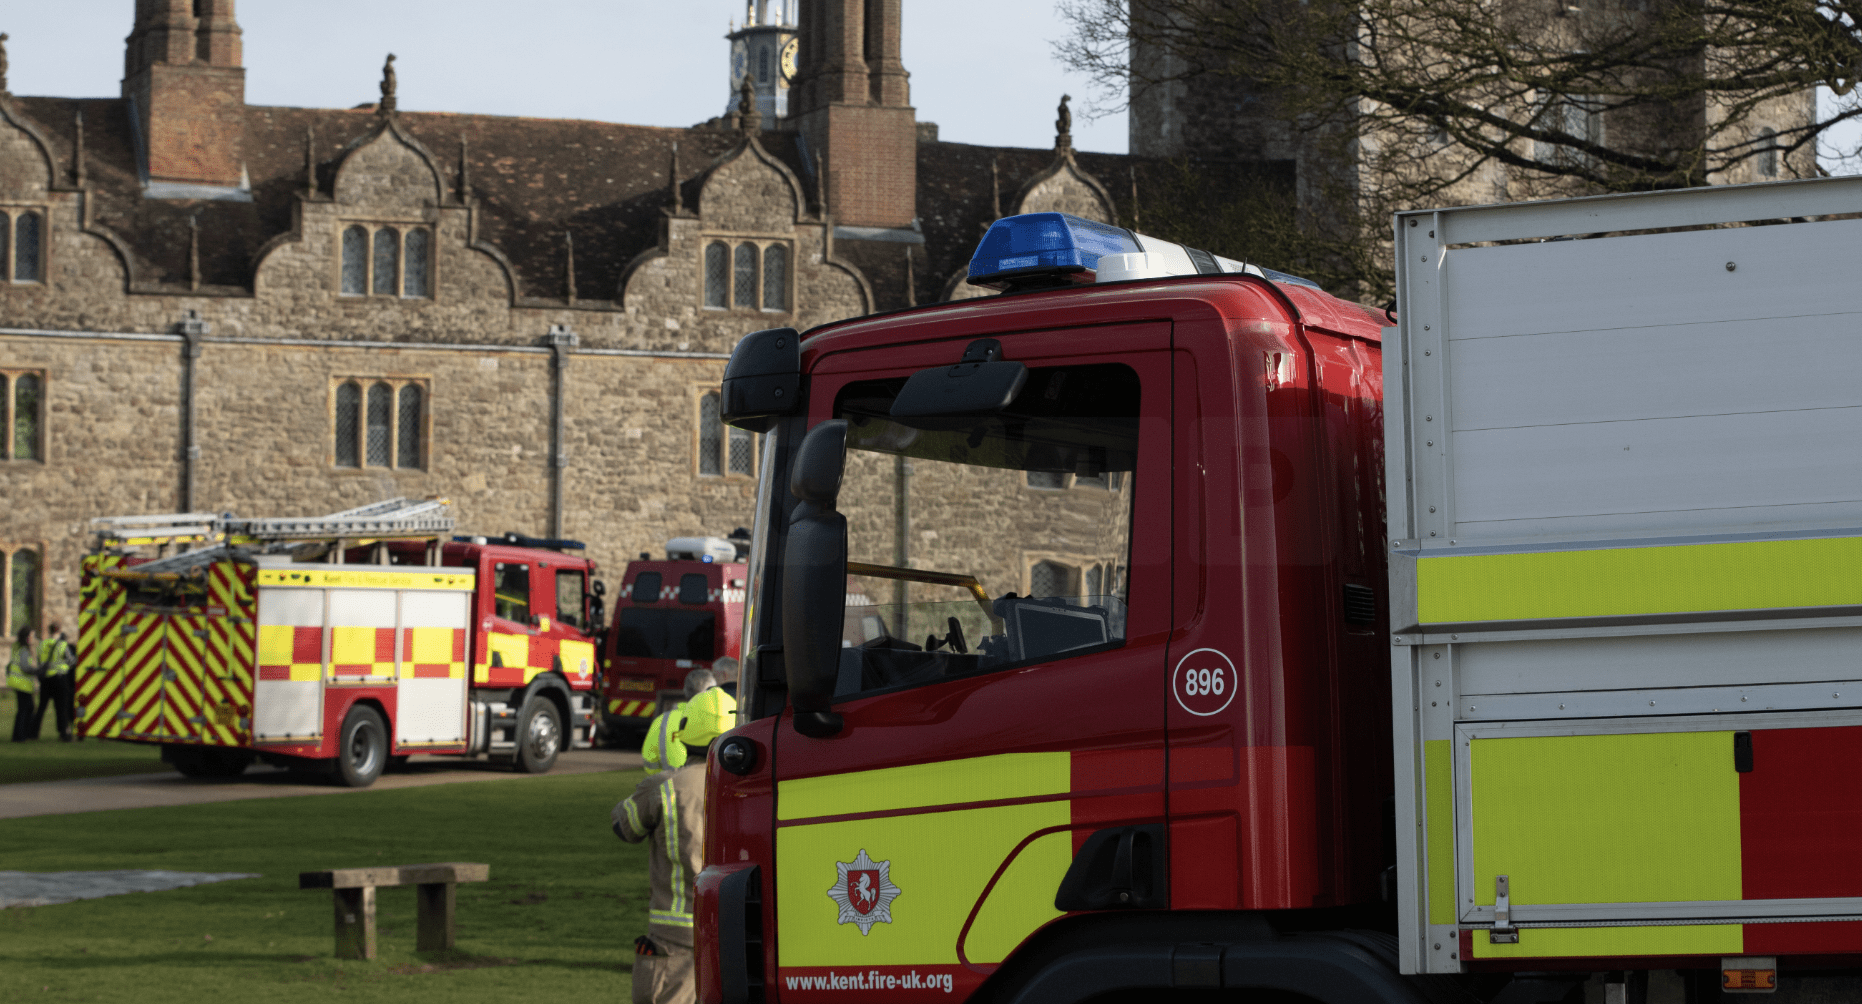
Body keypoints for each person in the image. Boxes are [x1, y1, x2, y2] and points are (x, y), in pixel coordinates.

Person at [612, 681, 736, 1004]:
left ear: (687, 733)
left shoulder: (667, 788)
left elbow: (623, 826)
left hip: (674, 940)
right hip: (736, 936)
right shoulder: (754, 786)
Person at [640, 669, 724, 772]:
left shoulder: (663, 720)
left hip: (669, 784)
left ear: (686, 691)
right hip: (706, 784)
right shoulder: (722, 717)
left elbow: (650, 760)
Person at [35, 621, 75, 741]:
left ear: (49, 630)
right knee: (61, 708)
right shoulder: (63, 645)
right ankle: (63, 733)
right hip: (59, 678)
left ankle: (33, 732)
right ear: (59, 630)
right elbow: (71, 661)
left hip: (45, 679)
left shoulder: (42, 644)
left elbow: (39, 660)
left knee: (41, 708)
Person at [8, 625, 42, 742]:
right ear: (27, 637)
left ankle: (22, 734)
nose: (33, 639)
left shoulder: (18, 647)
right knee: (24, 710)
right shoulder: (24, 650)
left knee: (27, 708)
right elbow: (25, 667)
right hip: (22, 684)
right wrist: (38, 670)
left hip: (20, 683)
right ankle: (19, 736)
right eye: (32, 636)